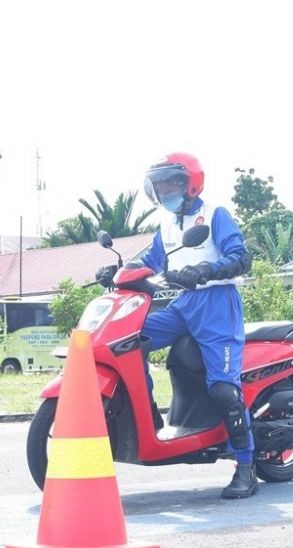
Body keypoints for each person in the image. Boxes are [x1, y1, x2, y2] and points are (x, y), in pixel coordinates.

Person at [96, 152, 255, 498]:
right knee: (129, 339)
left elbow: (241, 258)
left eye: (171, 183)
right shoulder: (166, 226)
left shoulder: (214, 214)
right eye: (160, 185)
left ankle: (246, 467)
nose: (164, 190)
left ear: (190, 182)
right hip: (183, 305)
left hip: (218, 306)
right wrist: (116, 271)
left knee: (224, 390)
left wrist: (204, 271)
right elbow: (148, 261)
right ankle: (149, 415)